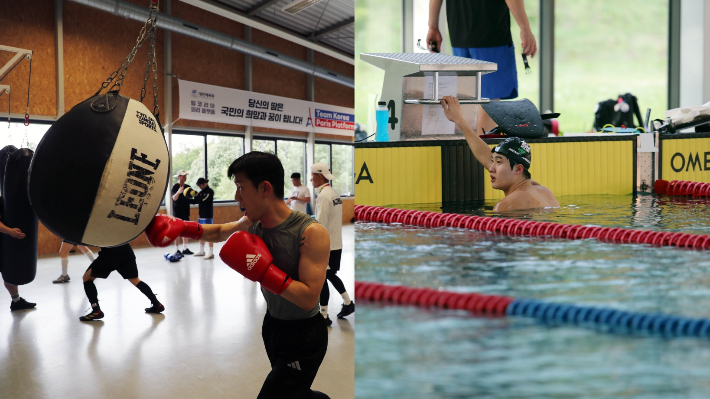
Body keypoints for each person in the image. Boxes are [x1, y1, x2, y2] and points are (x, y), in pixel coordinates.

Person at [145, 152, 331, 399]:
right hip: (273, 327)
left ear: (265, 188)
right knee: (293, 391)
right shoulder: (254, 223)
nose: (236, 197)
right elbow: (222, 231)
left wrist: (264, 271)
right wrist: (182, 226)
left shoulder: (310, 232)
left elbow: (309, 298)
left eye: (241, 188)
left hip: (305, 335)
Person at [427, 0, 537, 133]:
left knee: (467, 102)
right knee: (489, 104)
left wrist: (432, 26)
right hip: (490, 33)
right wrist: (524, 27)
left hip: (459, 33)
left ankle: (468, 151)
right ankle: (479, 152)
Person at [441, 96, 559, 211]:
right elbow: (484, 155)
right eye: (493, 161)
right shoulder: (544, 192)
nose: (491, 168)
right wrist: (459, 120)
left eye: (498, 162)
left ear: (518, 169)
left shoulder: (505, 206)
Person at [311, 162, 354, 326]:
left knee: (323, 278)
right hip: (337, 243)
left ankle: (323, 316)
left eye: (312, 176)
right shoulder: (334, 193)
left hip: (326, 245)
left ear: (319, 175)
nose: (311, 179)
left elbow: (320, 223)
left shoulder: (323, 195)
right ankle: (348, 304)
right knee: (329, 275)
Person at [78, 243, 164, 321]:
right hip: (126, 250)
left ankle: (96, 310)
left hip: (110, 253)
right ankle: (156, 304)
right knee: (136, 280)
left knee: (87, 279)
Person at [1, 209, 34, 311]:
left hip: (4, 244)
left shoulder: (3, 201)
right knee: (8, 274)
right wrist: (10, 231)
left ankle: (16, 302)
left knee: (9, 274)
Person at [170, 169, 194, 257]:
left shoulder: (188, 187)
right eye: (183, 176)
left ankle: (185, 248)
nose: (185, 177)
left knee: (185, 231)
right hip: (177, 213)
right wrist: (179, 192)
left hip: (185, 212)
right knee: (177, 232)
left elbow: (191, 197)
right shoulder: (175, 187)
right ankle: (177, 250)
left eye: (185, 176)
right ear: (179, 177)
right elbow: (174, 198)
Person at [190, 177, 215, 259]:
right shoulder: (200, 193)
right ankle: (201, 251)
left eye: (200, 185)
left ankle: (211, 252)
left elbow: (203, 200)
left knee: (209, 234)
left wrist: (197, 195)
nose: (199, 187)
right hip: (201, 216)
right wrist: (188, 197)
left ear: (204, 184)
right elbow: (195, 201)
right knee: (200, 233)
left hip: (207, 216)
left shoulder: (210, 192)